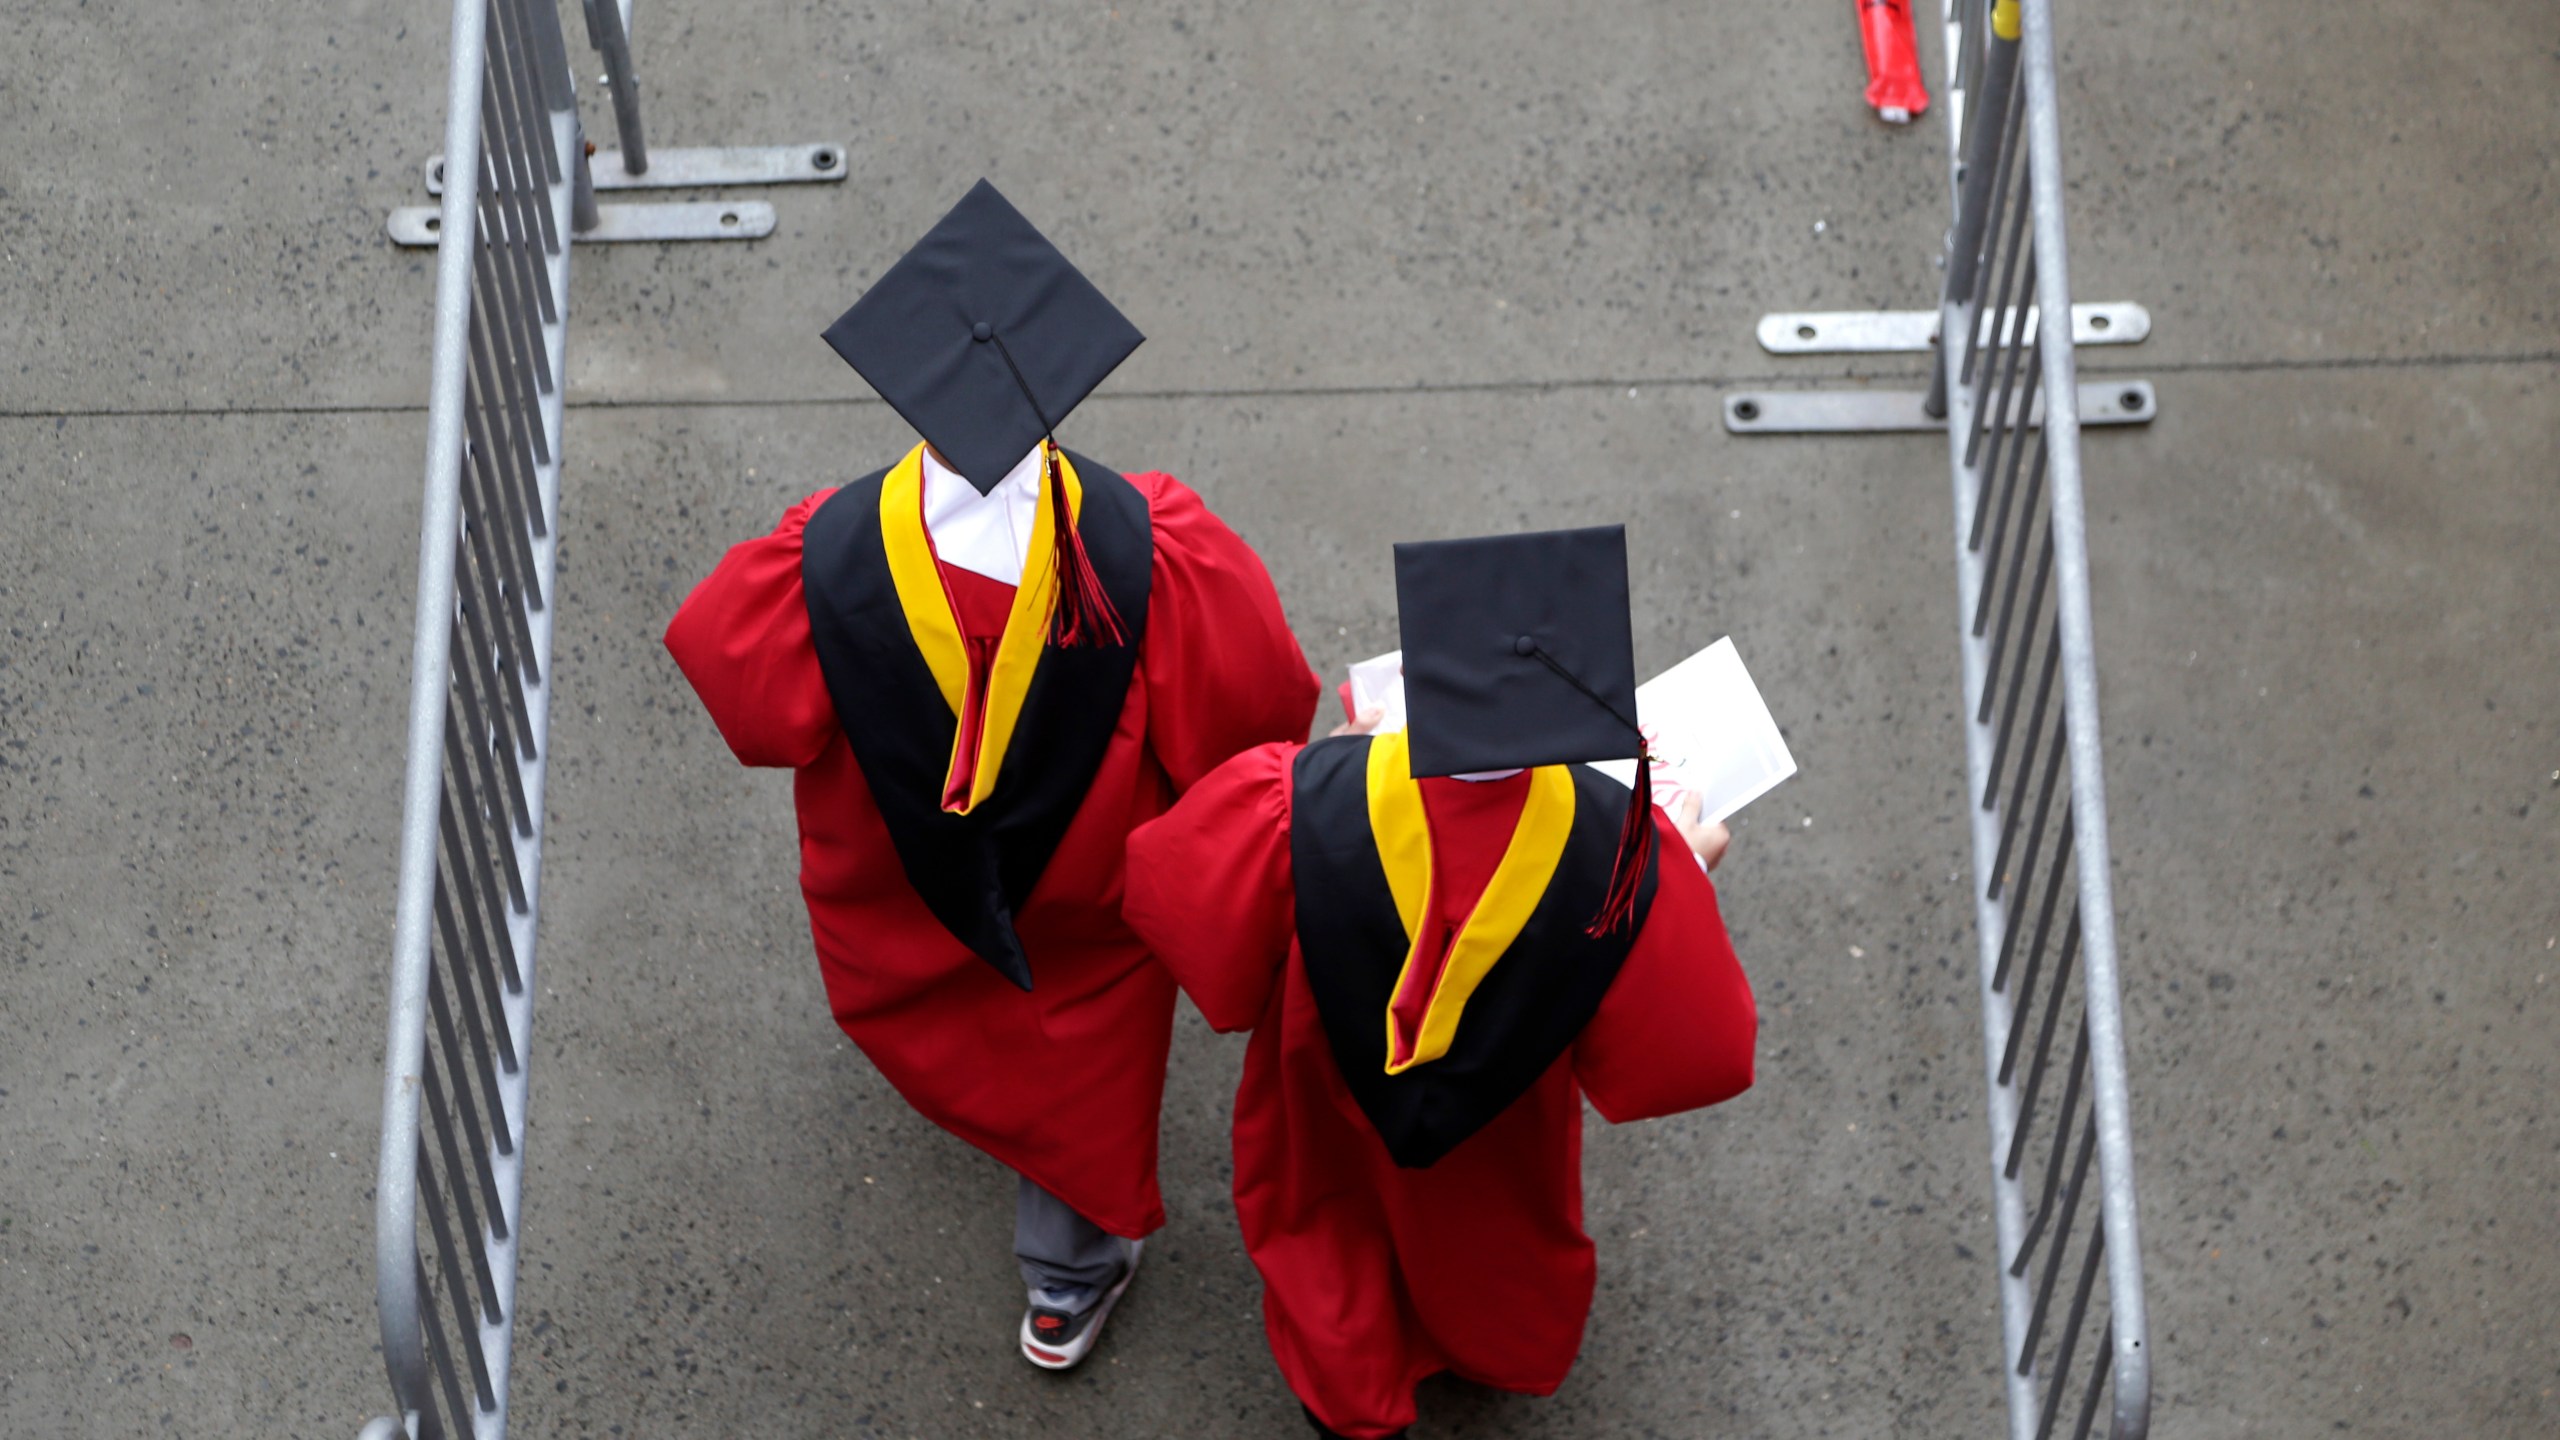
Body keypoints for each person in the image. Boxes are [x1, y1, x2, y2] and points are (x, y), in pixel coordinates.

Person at [664, 179, 1320, 1370]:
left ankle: (998, 1149)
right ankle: (1067, 1281)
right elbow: (1258, 714)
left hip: (899, 894)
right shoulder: (1154, 547)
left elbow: (743, 699)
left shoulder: (821, 552)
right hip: (1087, 909)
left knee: (954, 1023)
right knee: (1078, 1080)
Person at [1122, 525, 1758, 1438]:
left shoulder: (1297, 796)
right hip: (1503, 1134)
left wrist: (1329, 764)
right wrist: (1680, 883)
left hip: (1318, 1097)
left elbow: (1170, 898)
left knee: (1326, 1234)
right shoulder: (1625, 855)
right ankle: (1480, 1347)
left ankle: (1349, 1410)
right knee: (1486, 1243)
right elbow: (1697, 1056)